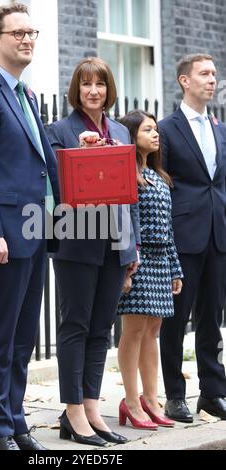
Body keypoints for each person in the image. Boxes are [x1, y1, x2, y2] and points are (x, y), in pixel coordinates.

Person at [0, 4, 60, 451]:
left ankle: (17, 420)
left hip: (36, 231)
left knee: (23, 338)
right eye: (16, 33)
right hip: (6, 236)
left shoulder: (27, 95)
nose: (26, 39)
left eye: (31, 32)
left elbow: (38, 163)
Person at [46, 57, 140, 446]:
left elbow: (130, 195)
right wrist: (87, 154)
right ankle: (72, 413)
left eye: (99, 84)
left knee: (101, 330)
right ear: (76, 89)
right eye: (85, 84)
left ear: (108, 89)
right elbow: (57, 188)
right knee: (75, 326)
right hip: (76, 242)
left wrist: (132, 244)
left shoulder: (120, 130)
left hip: (115, 244)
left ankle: (90, 408)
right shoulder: (59, 131)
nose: (93, 91)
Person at [159, 53, 226, 422]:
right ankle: (174, 395)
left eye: (214, 74)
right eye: (204, 73)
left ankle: (213, 393)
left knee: (212, 317)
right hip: (183, 236)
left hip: (217, 234)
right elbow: (163, 181)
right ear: (185, 80)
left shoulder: (220, 128)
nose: (211, 80)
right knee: (175, 319)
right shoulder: (167, 129)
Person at [117, 110, 183, 430]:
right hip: (138, 261)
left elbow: (168, 229)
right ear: (132, 135)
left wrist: (175, 269)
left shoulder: (159, 177)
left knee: (153, 330)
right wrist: (127, 267)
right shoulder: (126, 174)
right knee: (134, 331)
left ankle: (151, 398)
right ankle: (130, 401)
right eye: (148, 129)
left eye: (156, 129)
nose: (156, 134)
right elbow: (124, 223)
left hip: (160, 262)